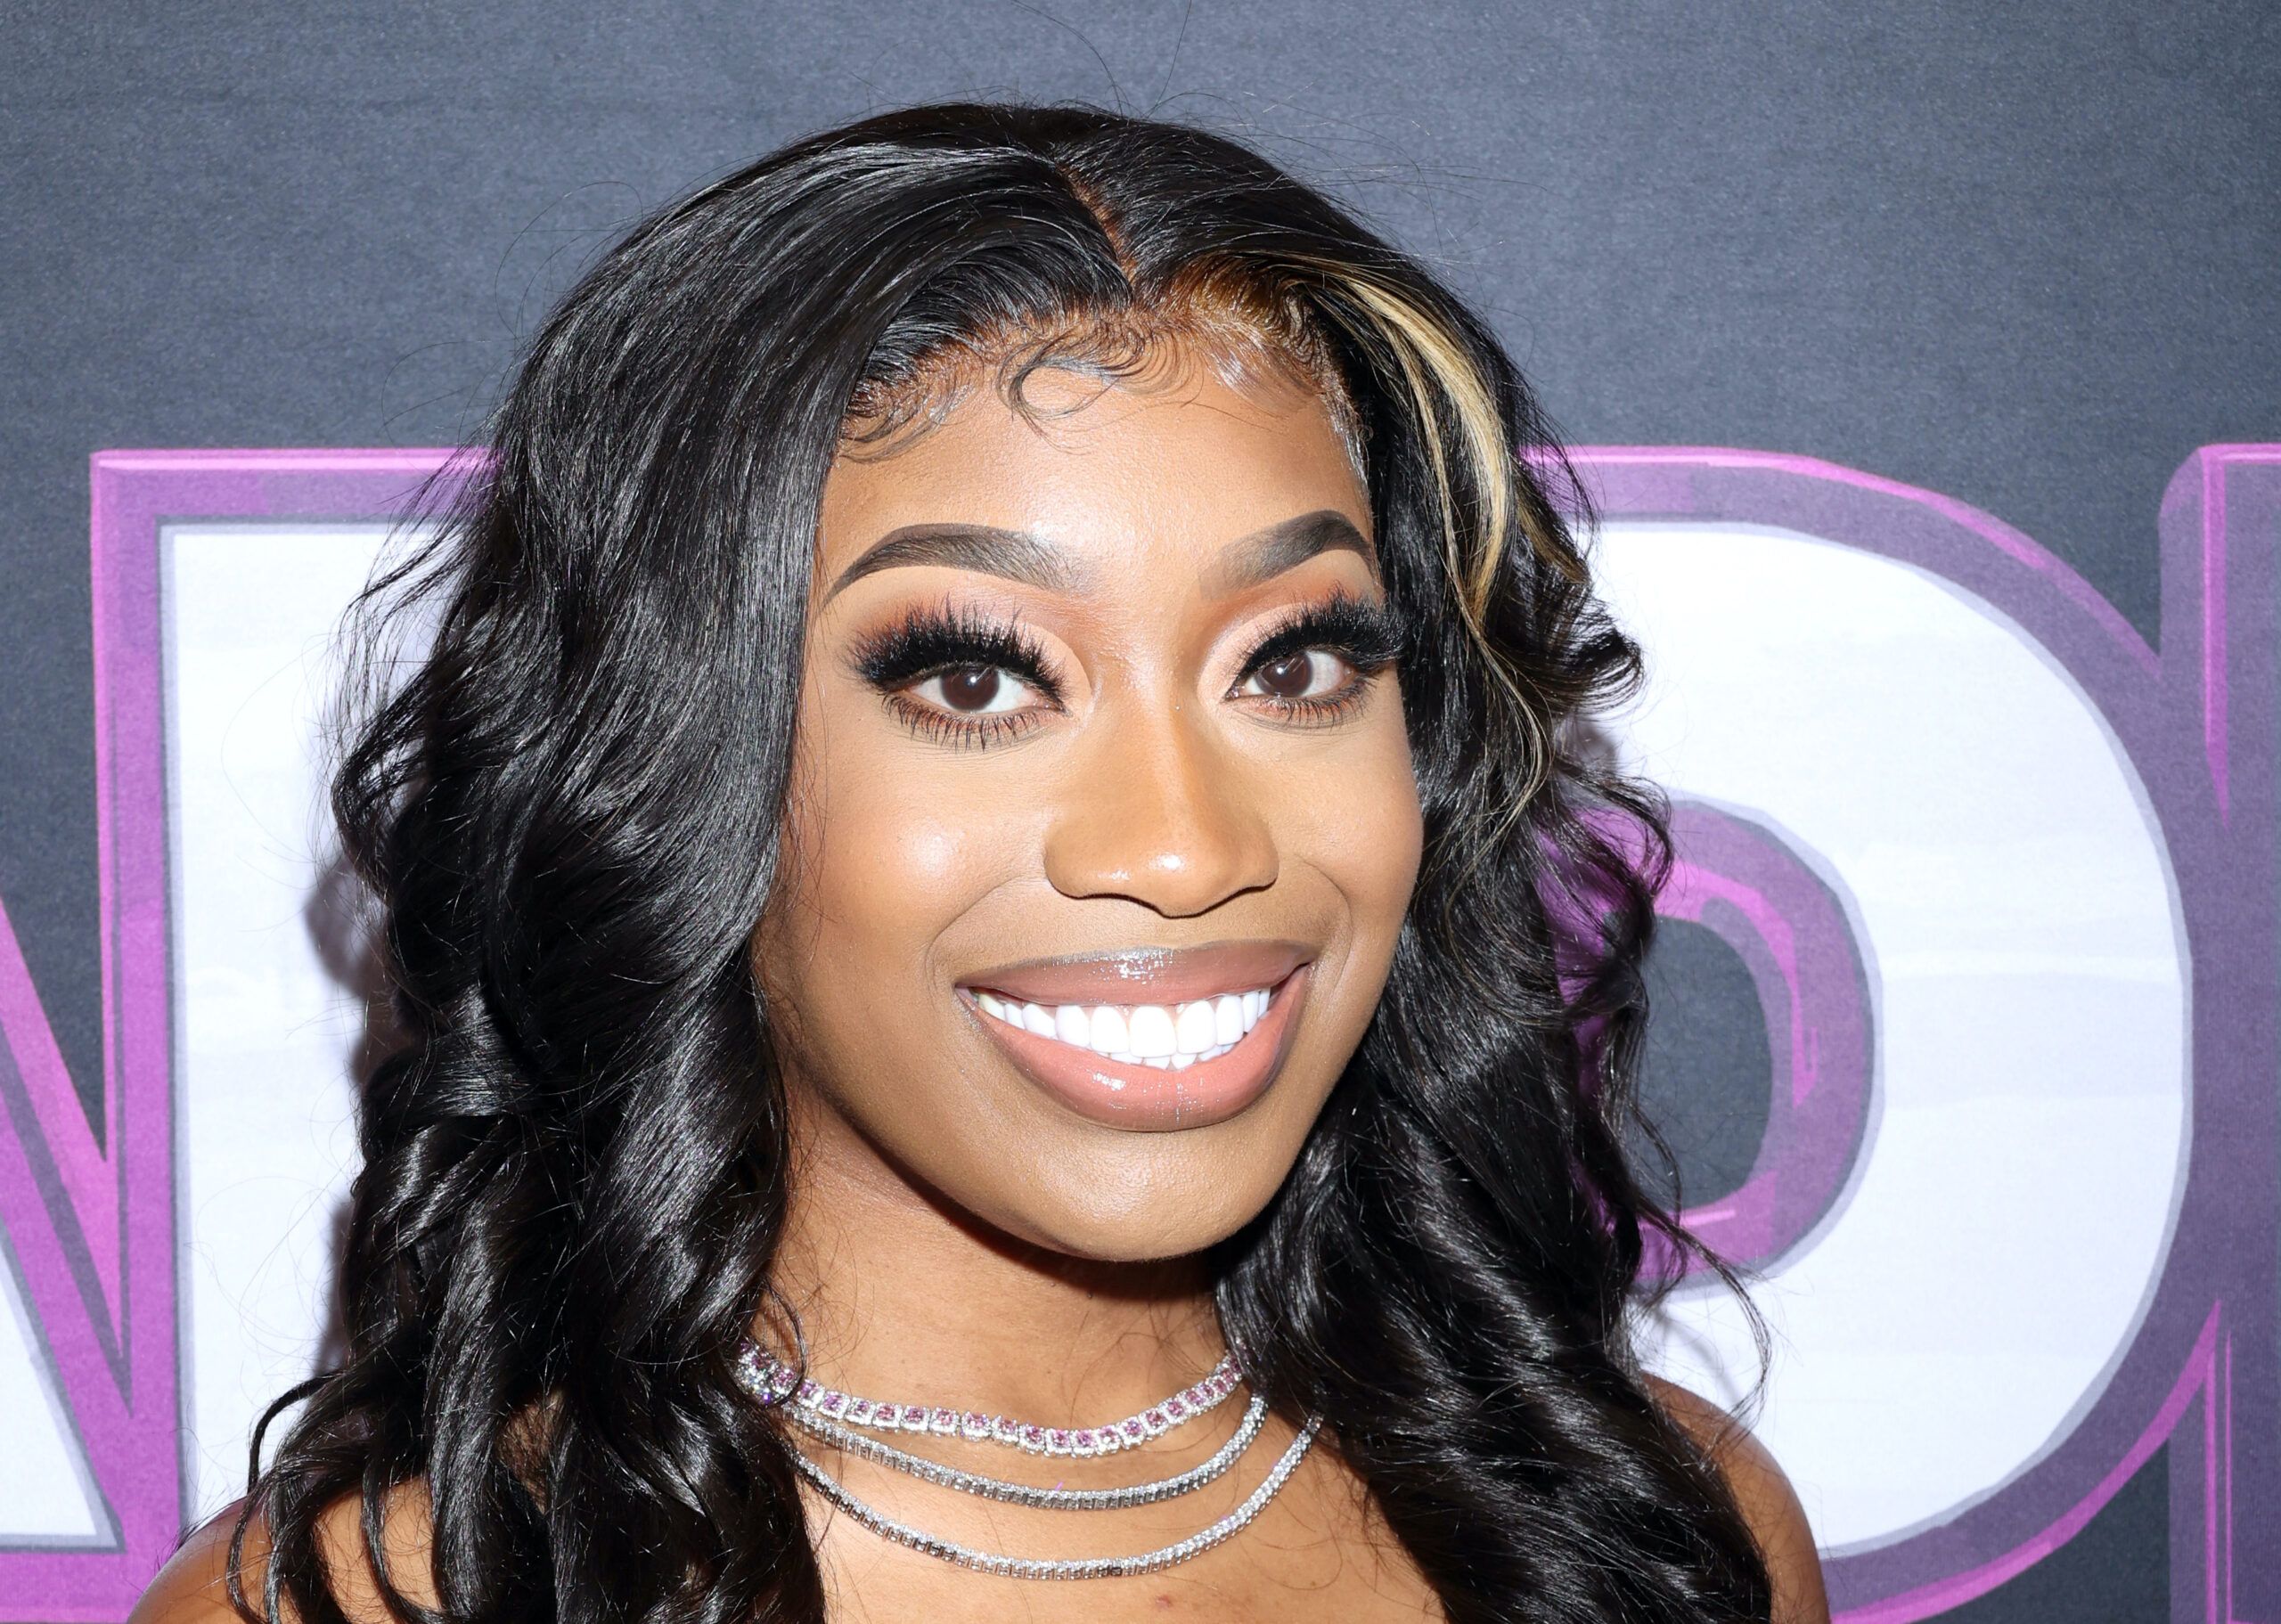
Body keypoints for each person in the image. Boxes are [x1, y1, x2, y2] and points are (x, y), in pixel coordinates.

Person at [134, 101, 1827, 1623]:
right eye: (975, 680)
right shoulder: (377, 1606)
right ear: (671, 773)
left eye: (1294, 661)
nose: (1184, 848)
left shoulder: (1660, 1537)